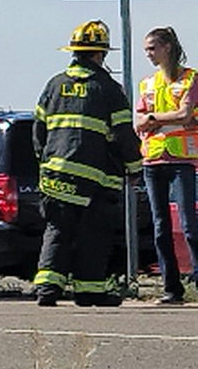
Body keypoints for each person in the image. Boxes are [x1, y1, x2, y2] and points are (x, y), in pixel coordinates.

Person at [31, 19, 140, 307]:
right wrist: (135, 167)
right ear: (98, 54)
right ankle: (89, 290)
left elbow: (38, 131)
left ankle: (47, 289)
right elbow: (122, 135)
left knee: (57, 229)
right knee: (95, 233)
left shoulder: (54, 85)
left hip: (55, 175)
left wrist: (45, 162)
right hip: (95, 179)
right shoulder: (108, 89)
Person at [134, 25, 197, 305]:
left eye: (152, 48)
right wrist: (160, 120)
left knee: (188, 226)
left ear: (167, 47)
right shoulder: (147, 83)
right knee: (160, 228)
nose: (148, 54)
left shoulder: (190, 79)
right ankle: (172, 289)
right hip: (152, 159)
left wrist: (155, 119)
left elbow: (185, 115)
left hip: (181, 160)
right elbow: (137, 122)